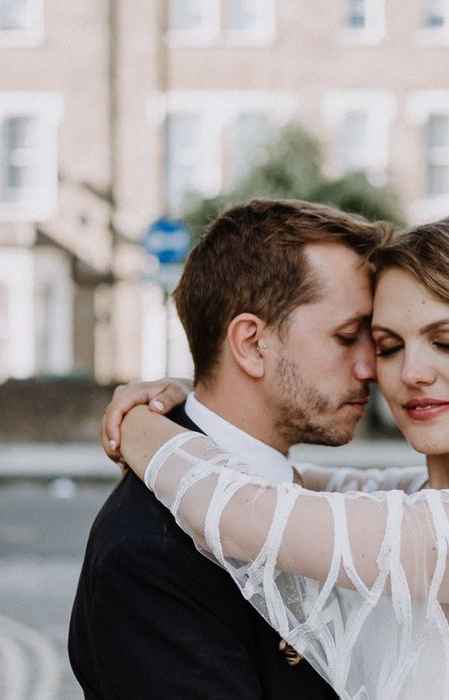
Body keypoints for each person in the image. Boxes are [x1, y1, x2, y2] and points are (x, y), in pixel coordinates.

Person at [108, 214, 449, 699]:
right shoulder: (422, 497)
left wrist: (135, 424)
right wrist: (195, 391)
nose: (410, 373)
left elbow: (245, 512)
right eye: (388, 345)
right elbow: (283, 478)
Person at [68, 199, 392, 698]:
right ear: (250, 344)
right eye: (347, 337)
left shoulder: (295, 490)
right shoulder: (149, 553)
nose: (371, 367)